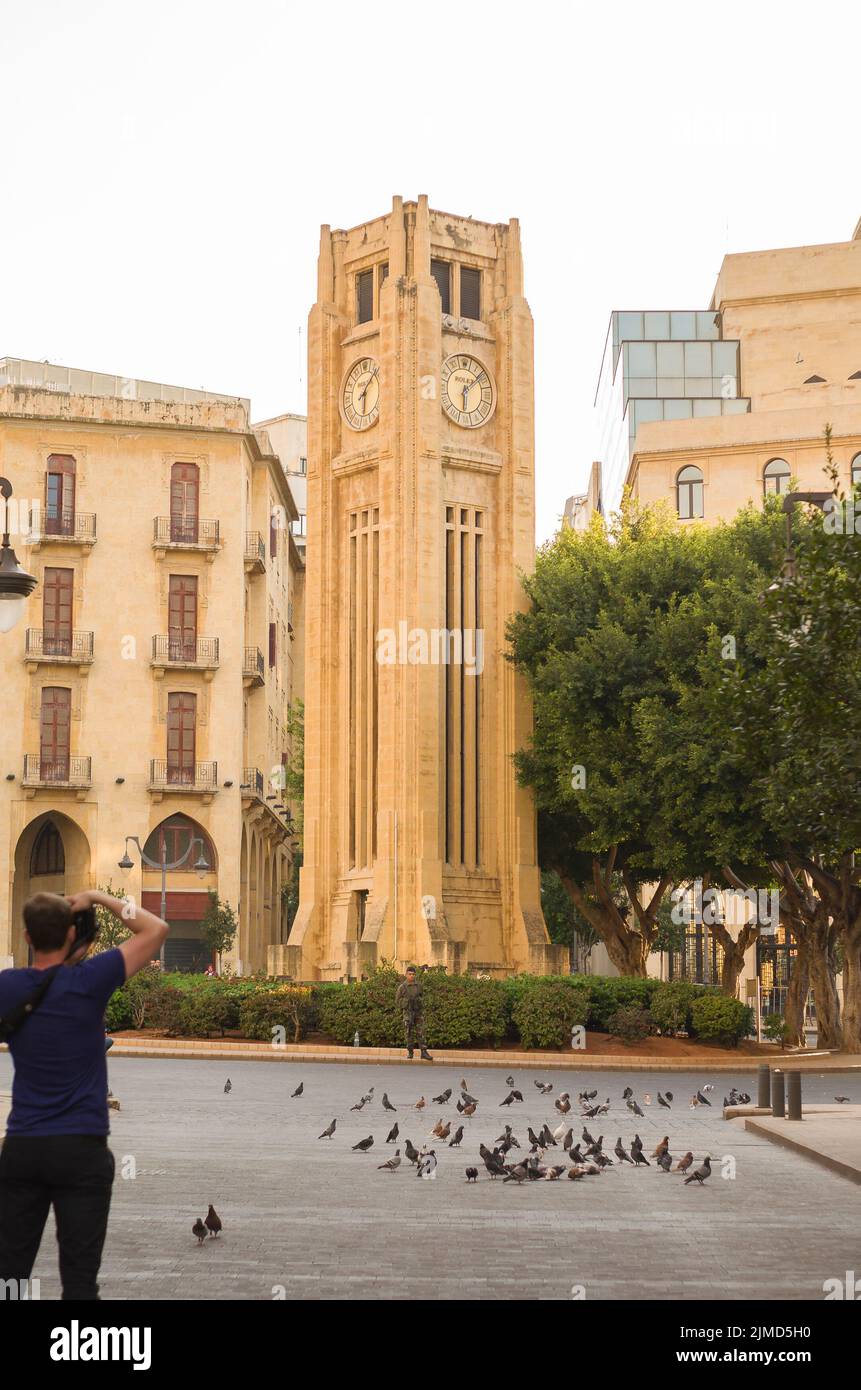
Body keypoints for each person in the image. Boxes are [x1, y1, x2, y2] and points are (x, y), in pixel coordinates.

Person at [0, 889, 168, 1300]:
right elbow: (156, 928)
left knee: (10, 1275)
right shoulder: (92, 979)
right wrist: (98, 897)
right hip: (81, 1150)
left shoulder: (9, 986)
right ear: (73, 932)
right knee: (79, 1280)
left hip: (23, 1149)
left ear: (26, 937)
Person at [395, 965, 433, 1061]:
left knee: (421, 1032)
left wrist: (419, 1003)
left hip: (418, 1012)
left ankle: (423, 1052)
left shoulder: (419, 986)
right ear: (406, 975)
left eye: (413, 974)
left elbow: (422, 996)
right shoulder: (402, 987)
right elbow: (397, 1001)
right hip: (408, 1013)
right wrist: (406, 1003)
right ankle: (410, 1051)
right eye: (410, 974)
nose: (412, 976)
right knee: (408, 1033)